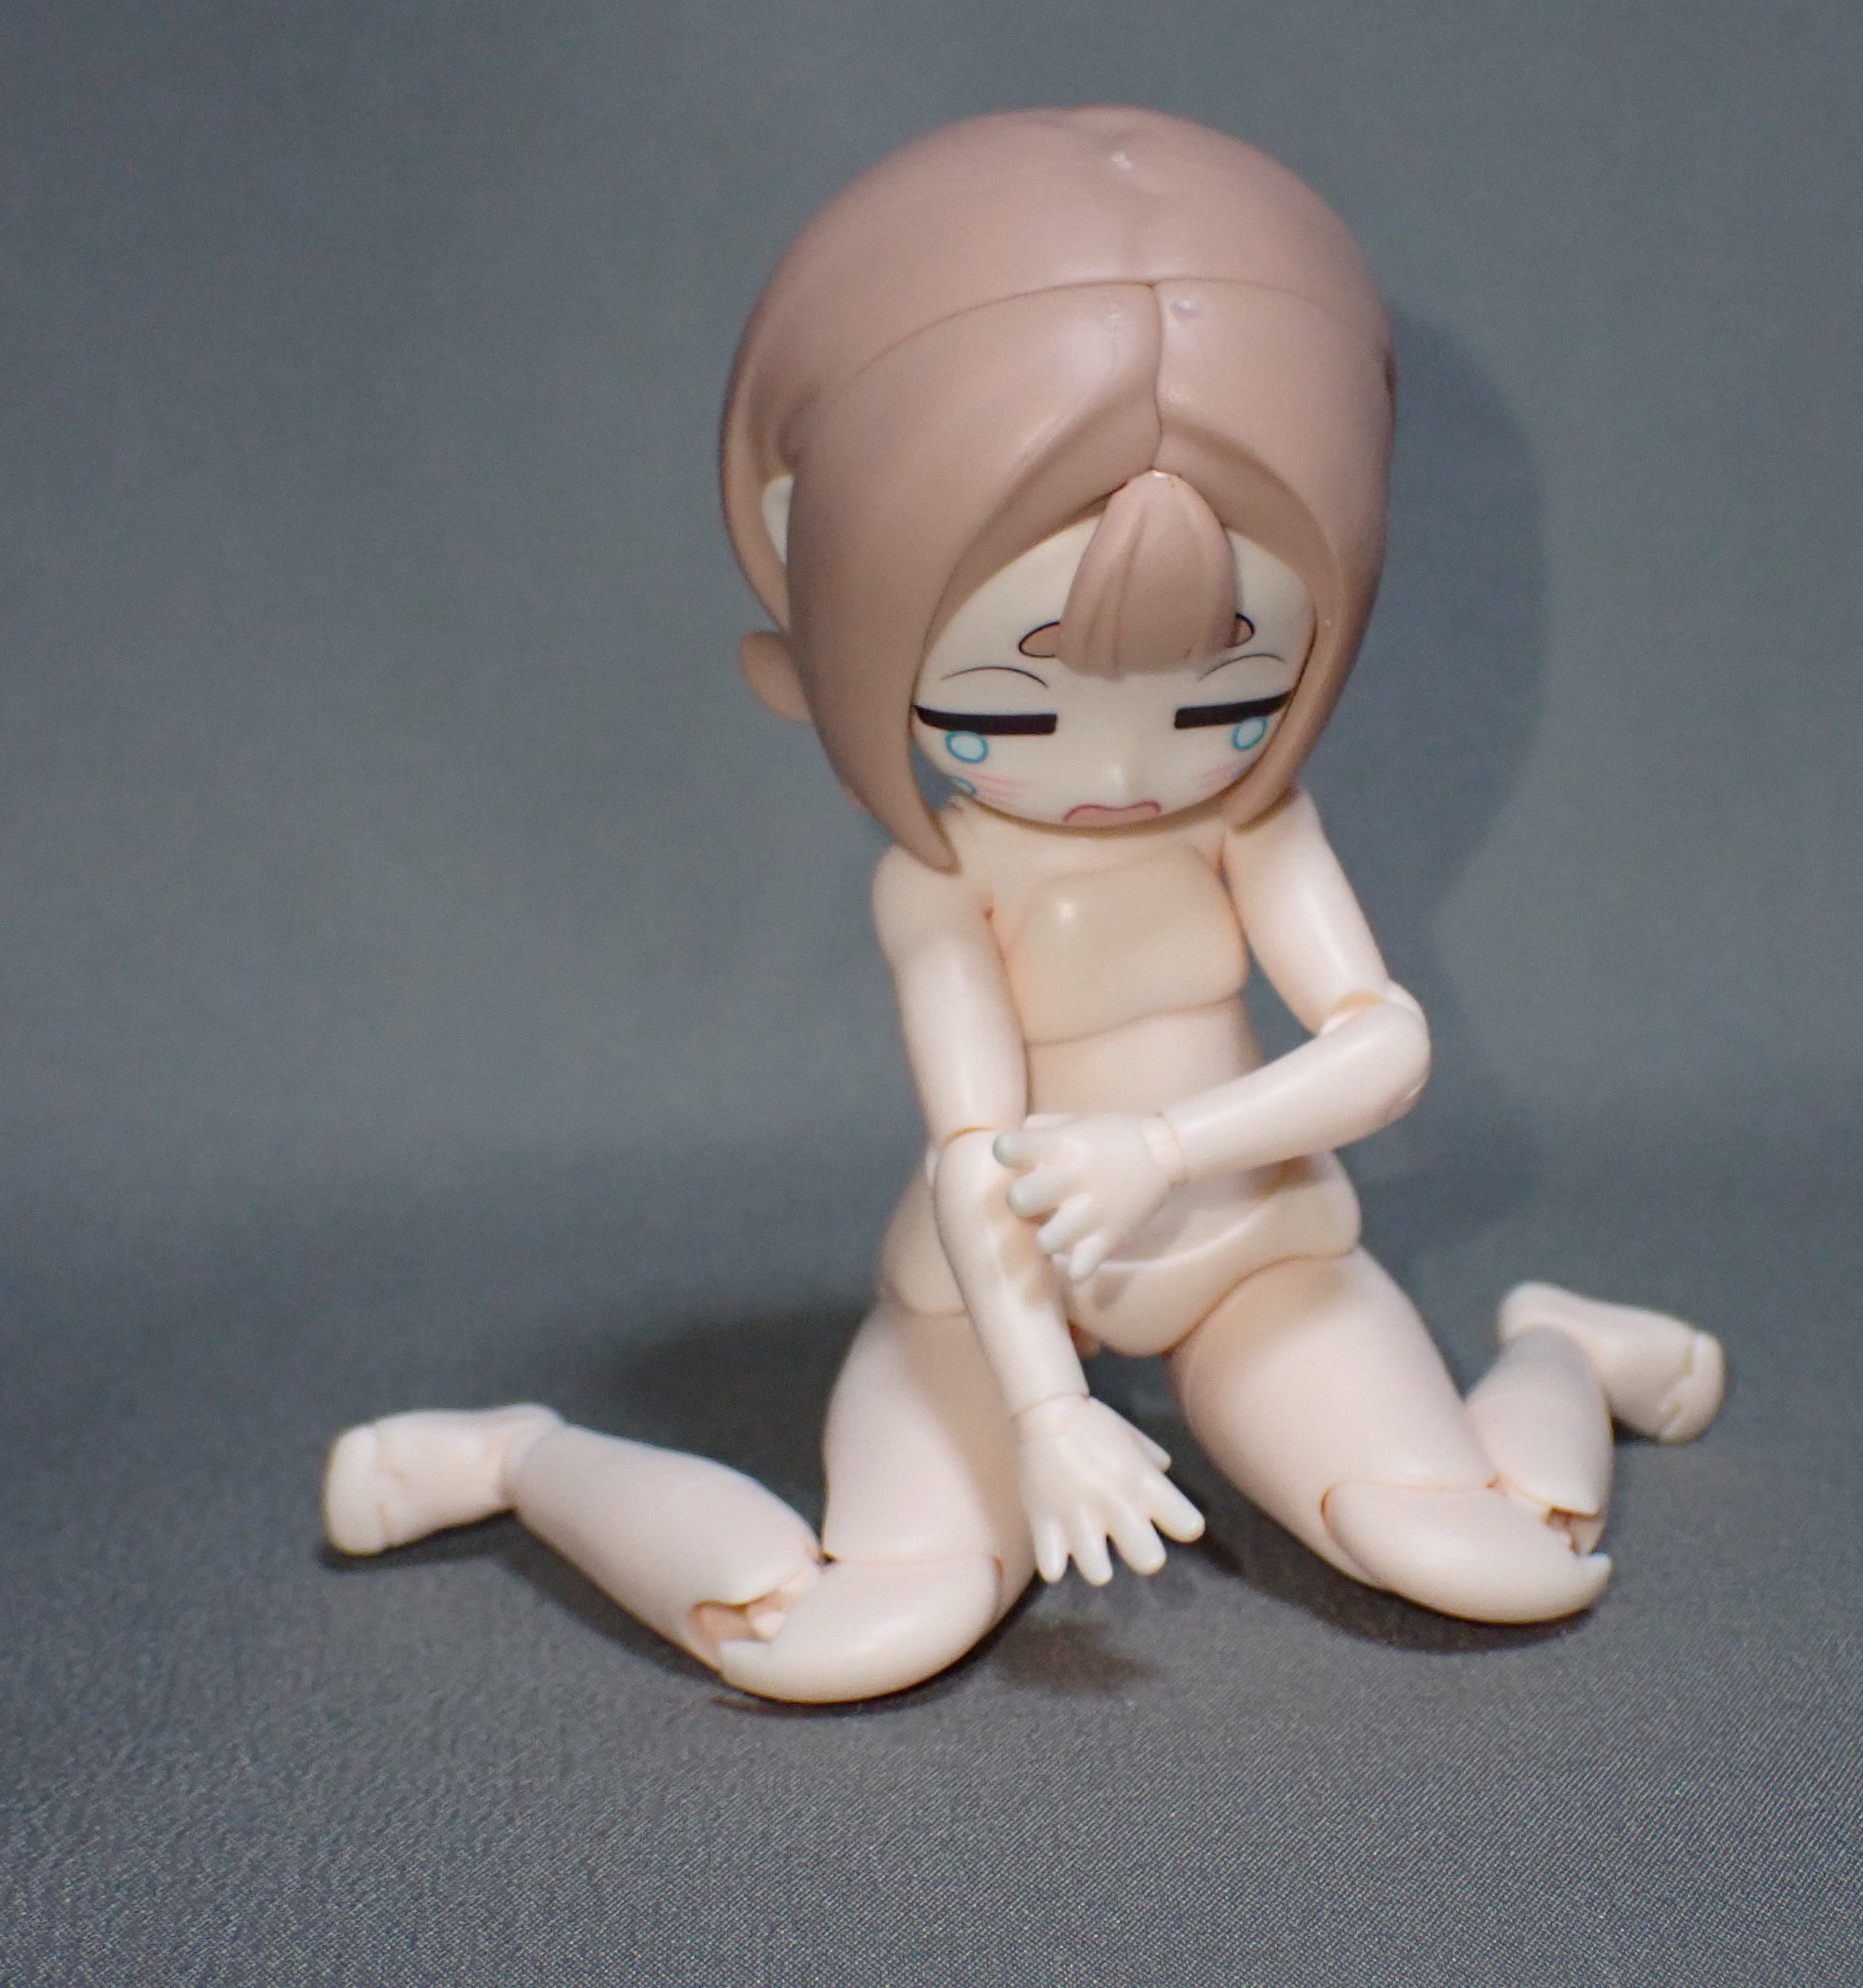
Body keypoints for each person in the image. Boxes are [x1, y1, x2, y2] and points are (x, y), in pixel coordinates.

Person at [321, 107, 1724, 1705]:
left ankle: (1561, 1349)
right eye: (1003, 711)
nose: (1121, 770)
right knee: (838, 1637)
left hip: (1250, 1253)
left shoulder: (1252, 827)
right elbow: (977, 1153)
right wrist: (1051, 1412)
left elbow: (1382, 1047)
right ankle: (514, 1462)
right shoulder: (941, 876)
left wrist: (1164, 1151)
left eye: (1221, 704)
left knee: (1495, 1559)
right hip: (996, 1299)